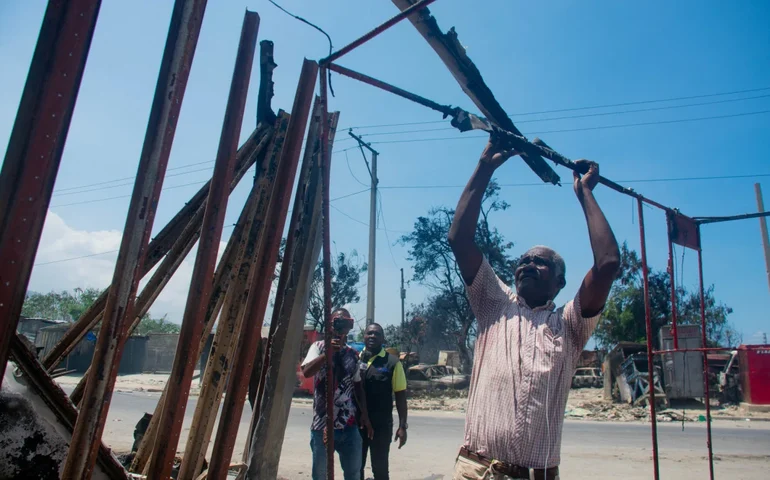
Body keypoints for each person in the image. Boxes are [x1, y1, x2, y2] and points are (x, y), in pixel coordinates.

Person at [447, 134, 620, 480]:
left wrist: (585, 192)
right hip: (475, 470)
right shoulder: (493, 303)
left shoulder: (569, 326)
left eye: (540, 262)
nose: (527, 264)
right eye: (523, 260)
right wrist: (484, 166)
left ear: (559, 282)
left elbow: (607, 264)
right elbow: (459, 239)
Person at [301, 308, 374, 480]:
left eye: (346, 322)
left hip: (348, 425)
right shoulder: (318, 348)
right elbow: (306, 372)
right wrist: (328, 355)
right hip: (322, 425)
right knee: (321, 475)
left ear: (350, 325)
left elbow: (357, 386)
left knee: (353, 473)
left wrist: (364, 414)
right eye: (338, 322)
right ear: (331, 325)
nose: (341, 327)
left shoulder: (352, 354)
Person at [359, 323, 408, 480]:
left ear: (383, 338)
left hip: (381, 426)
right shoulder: (354, 358)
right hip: (356, 425)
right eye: (369, 333)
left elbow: (400, 396)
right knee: (355, 468)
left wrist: (402, 426)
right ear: (364, 336)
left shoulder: (392, 363)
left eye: (377, 334)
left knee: (380, 470)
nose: (372, 336)